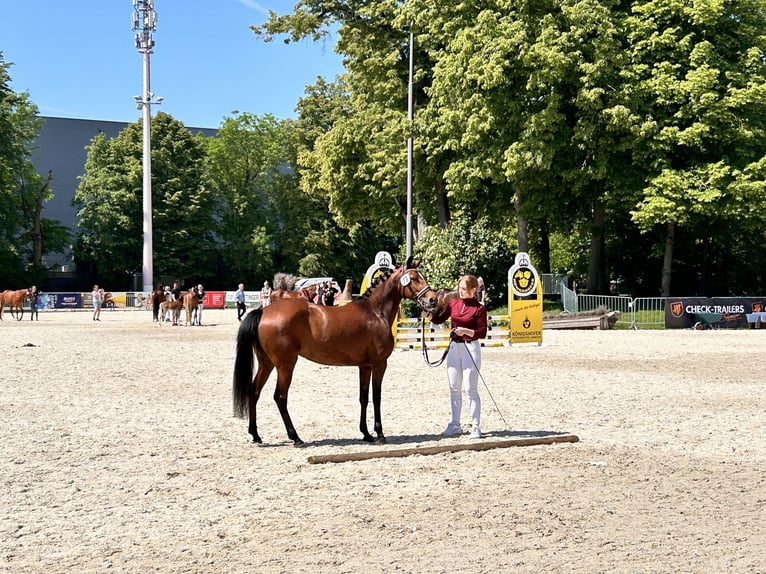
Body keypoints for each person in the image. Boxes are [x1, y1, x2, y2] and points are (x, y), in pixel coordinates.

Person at [426, 274, 488, 439]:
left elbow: (482, 332)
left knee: (470, 389)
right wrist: (429, 316)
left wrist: (466, 331)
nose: (459, 291)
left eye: (463, 289)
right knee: (454, 388)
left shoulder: (479, 309)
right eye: (459, 288)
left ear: (473, 290)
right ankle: (455, 424)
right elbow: (440, 319)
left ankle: (475, 426)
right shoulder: (454, 303)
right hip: (454, 348)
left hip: (471, 348)